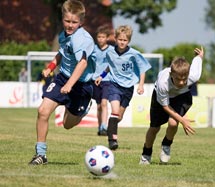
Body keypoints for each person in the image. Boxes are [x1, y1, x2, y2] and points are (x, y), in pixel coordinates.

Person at [28, 0, 95, 165]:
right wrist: (51, 67)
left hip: (81, 86)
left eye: (74, 22)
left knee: (66, 124)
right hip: (62, 78)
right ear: (63, 18)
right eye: (67, 21)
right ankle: (40, 155)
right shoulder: (63, 35)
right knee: (43, 111)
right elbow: (61, 53)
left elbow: (83, 63)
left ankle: (84, 109)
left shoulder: (82, 39)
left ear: (81, 22)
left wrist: (70, 85)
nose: (70, 25)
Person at [139, 47, 204, 164]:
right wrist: (183, 121)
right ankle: (146, 154)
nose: (181, 83)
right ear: (171, 74)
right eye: (178, 79)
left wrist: (199, 56)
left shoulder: (193, 76)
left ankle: (166, 145)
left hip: (182, 96)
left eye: (184, 79)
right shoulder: (163, 83)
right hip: (162, 100)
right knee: (154, 128)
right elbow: (165, 106)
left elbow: (197, 61)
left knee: (173, 123)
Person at [95, 25, 151, 150]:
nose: (122, 42)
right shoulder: (110, 52)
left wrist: (141, 85)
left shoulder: (134, 54)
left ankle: (109, 129)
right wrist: (101, 76)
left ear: (129, 41)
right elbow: (111, 66)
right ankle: (112, 140)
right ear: (115, 38)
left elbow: (142, 69)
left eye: (125, 40)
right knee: (114, 111)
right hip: (114, 85)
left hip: (128, 88)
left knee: (119, 117)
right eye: (120, 39)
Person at [91, 25, 114, 136]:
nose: (100, 39)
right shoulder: (93, 49)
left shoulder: (111, 50)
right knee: (99, 105)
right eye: (99, 37)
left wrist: (103, 75)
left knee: (104, 103)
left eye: (103, 37)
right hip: (94, 80)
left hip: (106, 80)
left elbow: (113, 65)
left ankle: (104, 126)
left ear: (107, 38)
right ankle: (100, 127)